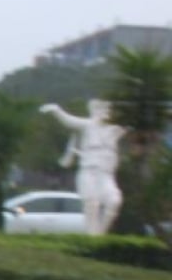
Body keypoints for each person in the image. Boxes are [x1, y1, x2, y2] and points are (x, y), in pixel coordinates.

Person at [40, 99, 126, 235]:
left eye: (107, 109)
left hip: (106, 174)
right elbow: (69, 121)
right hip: (89, 171)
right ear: (93, 111)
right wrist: (57, 110)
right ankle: (92, 236)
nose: (105, 112)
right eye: (101, 109)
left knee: (114, 201)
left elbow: (132, 123)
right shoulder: (88, 125)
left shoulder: (114, 130)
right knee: (92, 203)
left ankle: (100, 234)